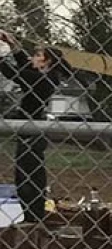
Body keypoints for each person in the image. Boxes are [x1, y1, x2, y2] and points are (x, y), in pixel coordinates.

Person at [0, 32, 61, 223]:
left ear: (46, 62)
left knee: (28, 176)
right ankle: (31, 215)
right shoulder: (42, 76)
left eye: (38, 56)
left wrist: (1, 56)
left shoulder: (43, 80)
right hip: (29, 132)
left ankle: (33, 217)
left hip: (32, 134)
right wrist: (13, 44)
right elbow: (24, 66)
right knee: (25, 174)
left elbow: (15, 73)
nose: (32, 58)